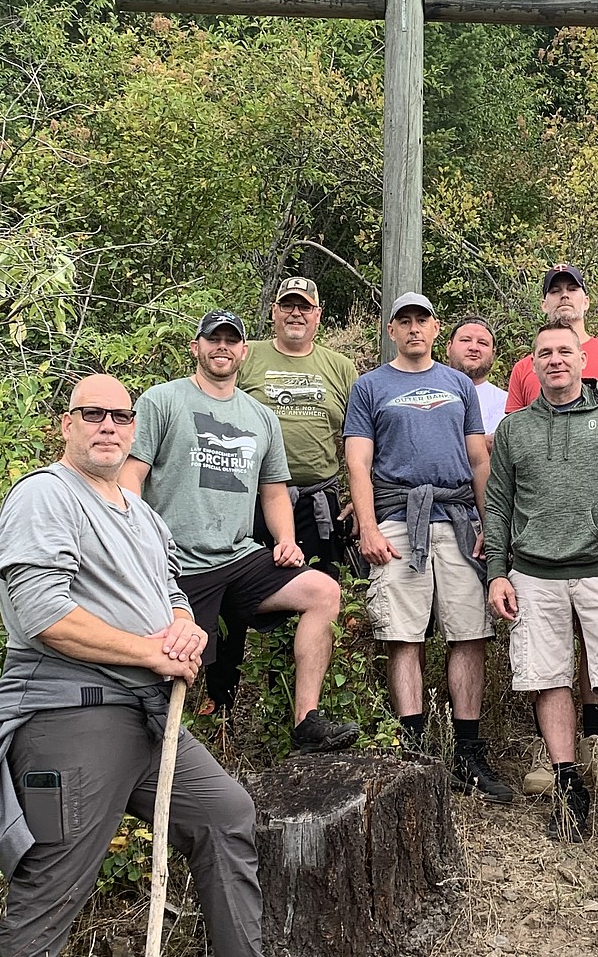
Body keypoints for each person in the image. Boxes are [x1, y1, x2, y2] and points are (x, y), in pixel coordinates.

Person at [0, 377, 341, 957]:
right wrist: (150, 651)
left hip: (147, 717)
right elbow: (40, 613)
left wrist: (187, 630)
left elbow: (171, 601)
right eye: (90, 413)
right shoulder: (45, 495)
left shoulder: (141, 514)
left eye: (119, 414)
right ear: (65, 423)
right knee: (49, 897)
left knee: (225, 810)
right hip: (70, 716)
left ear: (135, 428)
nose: (106, 424)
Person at [121, 311, 356, 752]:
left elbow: (273, 492)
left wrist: (285, 539)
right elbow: (132, 475)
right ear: (196, 347)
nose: (223, 347)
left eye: (232, 340)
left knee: (323, 592)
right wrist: (140, 539)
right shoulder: (162, 401)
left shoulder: (260, 417)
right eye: (214, 339)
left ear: (244, 352)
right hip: (176, 564)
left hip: (237, 557)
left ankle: (307, 720)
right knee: (172, 670)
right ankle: (165, 746)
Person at [486, 323, 598, 848]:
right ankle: (568, 784)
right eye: (544, 353)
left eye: (565, 351)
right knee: (548, 677)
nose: (555, 360)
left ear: (583, 360)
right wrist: (497, 570)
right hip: (534, 573)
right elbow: (497, 504)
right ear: (532, 365)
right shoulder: (515, 428)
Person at [344, 292, 511, 803]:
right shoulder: (369, 386)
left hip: (458, 518)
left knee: (469, 632)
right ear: (390, 330)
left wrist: (490, 524)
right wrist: (368, 528)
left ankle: (467, 752)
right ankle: (412, 749)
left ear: (435, 329)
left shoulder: (458, 383)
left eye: (422, 320)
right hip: (397, 519)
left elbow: (480, 461)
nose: (414, 329)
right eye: (404, 321)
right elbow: (357, 462)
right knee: (403, 634)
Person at [504, 264, 598, 791]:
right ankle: (560, 759)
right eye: (553, 292)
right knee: (549, 660)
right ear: (543, 306)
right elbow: (512, 441)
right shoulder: (524, 367)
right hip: (540, 547)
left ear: (587, 300)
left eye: (571, 290)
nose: (563, 298)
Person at [211, 277, 360, 708]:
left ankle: (297, 708)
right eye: (288, 305)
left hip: (317, 504)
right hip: (247, 501)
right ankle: (223, 706)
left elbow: (359, 436)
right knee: (231, 602)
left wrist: (357, 497)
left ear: (318, 315)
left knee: (314, 596)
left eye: (305, 307)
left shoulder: (340, 367)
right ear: (274, 312)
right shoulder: (247, 355)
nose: (296, 313)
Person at [446, 315, 508, 449]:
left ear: (493, 354)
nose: (474, 348)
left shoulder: (506, 402)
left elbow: (497, 445)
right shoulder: (428, 391)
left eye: (483, 343)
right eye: (465, 340)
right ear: (448, 347)